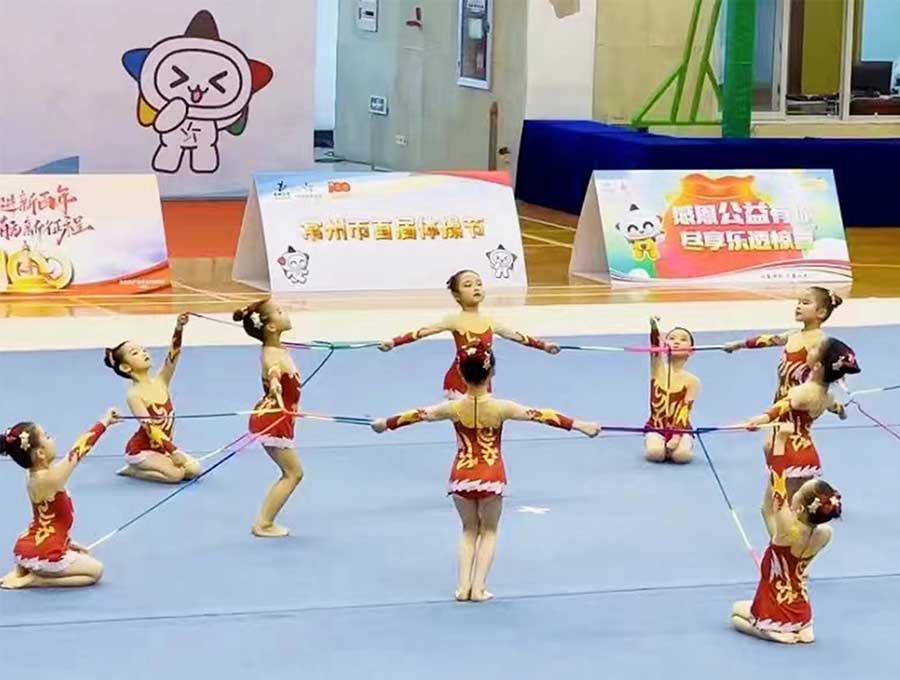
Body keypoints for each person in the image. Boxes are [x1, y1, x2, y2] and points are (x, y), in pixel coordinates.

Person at [371, 343, 599, 602]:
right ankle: (478, 588)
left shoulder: (452, 408)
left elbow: (417, 415)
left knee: (468, 530)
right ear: (492, 373)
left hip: (461, 475)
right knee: (489, 531)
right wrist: (580, 425)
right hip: (491, 476)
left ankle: (463, 588)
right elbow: (542, 415)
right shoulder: (502, 407)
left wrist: (385, 424)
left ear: (460, 372)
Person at [379, 270, 559, 398]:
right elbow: (422, 332)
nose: (476, 288)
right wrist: (393, 342)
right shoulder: (454, 320)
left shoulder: (489, 321)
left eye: (479, 284)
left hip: (483, 380)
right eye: (468, 285)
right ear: (457, 296)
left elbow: (517, 336)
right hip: (459, 381)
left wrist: (544, 346)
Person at [743, 337, 858, 534]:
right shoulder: (827, 396)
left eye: (814, 349)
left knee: (772, 509)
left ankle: (781, 547)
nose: (809, 350)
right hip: (808, 454)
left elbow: (780, 408)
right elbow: (836, 407)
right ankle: (804, 543)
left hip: (788, 452)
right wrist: (841, 411)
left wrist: (759, 420)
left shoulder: (803, 391)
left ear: (818, 365)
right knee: (803, 512)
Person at [1, 408, 121, 589]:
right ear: (40, 454)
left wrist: (67, 543)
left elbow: (47, 520)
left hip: (28, 546)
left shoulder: (33, 476)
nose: (53, 438)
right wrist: (104, 423)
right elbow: (79, 450)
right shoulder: (52, 478)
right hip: (45, 553)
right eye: (47, 437)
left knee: (83, 558)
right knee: (96, 571)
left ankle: (23, 570)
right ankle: (36, 579)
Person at [731, 472, 841, 644]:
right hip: (801, 610)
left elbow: (769, 509)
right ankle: (803, 630)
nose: (794, 493)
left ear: (801, 507)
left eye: (799, 491)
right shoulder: (826, 534)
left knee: (735, 613)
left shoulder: (787, 532)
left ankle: (768, 632)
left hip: (773, 605)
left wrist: (776, 474)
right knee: (749, 607)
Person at [234, 299, 303, 538]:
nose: (286, 313)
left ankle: (264, 522)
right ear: (271, 326)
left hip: (276, 417)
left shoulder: (279, 347)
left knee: (292, 473)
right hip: (272, 421)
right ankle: (263, 524)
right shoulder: (271, 354)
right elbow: (272, 367)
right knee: (293, 473)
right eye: (280, 311)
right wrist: (274, 383)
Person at [105, 313, 201, 483]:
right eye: (135, 353)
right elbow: (150, 428)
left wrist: (179, 328)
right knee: (176, 475)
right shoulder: (134, 395)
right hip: (141, 450)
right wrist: (173, 451)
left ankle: (161, 461)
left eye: (143, 350)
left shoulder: (161, 380)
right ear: (126, 367)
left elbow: (173, 355)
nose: (143, 353)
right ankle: (133, 470)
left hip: (161, 449)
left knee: (194, 470)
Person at [723, 287, 843, 405]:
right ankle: (833, 406)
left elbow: (825, 374)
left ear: (821, 312)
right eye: (799, 302)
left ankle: (831, 405)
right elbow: (768, 340)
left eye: (805, 303)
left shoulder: (820, 341)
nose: (799, 306)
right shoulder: (793, 334)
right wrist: (738, 344)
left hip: (798, 403)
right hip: (782, 397)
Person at [644, 317, 700, 463]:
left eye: (683, 339)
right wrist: (654, 328)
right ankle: (655, 443)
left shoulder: (692, 381)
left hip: (680, 429)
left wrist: (676, 437)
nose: (676, 342)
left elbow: (684, 410)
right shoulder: (657, 369)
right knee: (655, 454)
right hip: (656, 427)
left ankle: (686, 443)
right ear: (664, 346)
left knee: (682, 457)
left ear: (691, 351)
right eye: (672, 338)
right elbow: (654, 349)